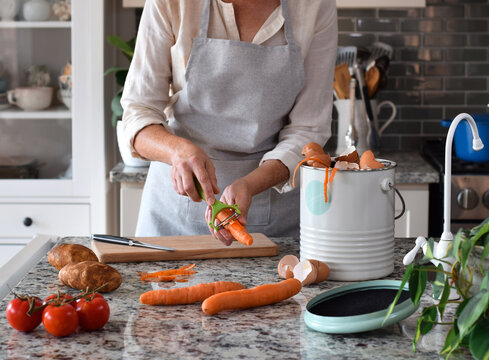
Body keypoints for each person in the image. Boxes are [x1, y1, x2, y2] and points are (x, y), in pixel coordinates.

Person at [121, 0, 337, 245]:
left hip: (275, 222)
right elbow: (138, 113)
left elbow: (308, 130)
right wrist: (177, 151)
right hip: (173, 222)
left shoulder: (314, 6)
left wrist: (251, 183)